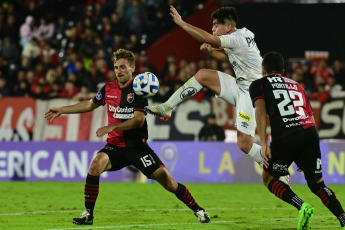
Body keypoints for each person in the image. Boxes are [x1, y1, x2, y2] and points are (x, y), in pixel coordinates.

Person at [44, 49, 210, 225]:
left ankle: (198, 209)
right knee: (95, 166)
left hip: (138, 148)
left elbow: (138, 121)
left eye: (123, 67)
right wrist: (62, 109)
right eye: (116, 67)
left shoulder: (139, 90)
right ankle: (88, 215)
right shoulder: (108, 88)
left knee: (168, 182)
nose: (119, 71)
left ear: (132, 68)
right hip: (115, 147)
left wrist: (112, 126)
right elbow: (90, 104)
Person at [146, 6, 266, 169]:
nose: (213, 28)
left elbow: (210, 39)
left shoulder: (236, 38)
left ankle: (273, 165)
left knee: (244, 144)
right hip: (241, 85)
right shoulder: (243, 34)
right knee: (202, 74)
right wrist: (212, 53)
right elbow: (230, 57)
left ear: (228, 27)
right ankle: (167, 107)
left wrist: (182, 24)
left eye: (216, 25)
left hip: (252, 93)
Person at [249, 52, 345, 230]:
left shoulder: (258, 84)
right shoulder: (297, 85)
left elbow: (260, 112)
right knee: (317, 184)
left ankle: (302, 206)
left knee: (268, 178)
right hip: (309, 132)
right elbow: (310, 115)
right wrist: (305, 152)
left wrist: (263, 143)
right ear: (283, 70)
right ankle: (343, 217)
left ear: (263, 70)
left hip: (286, 135)